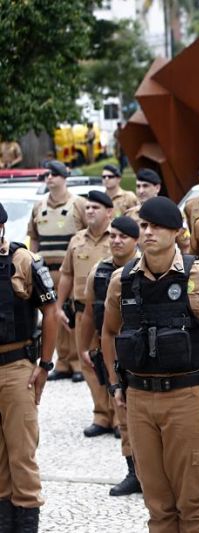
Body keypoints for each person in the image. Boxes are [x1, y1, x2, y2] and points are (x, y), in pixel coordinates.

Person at [100, 196, 199, 532]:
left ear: (176, 232)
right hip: (139, 400)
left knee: (193, 504)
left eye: (156, 226)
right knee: (157, 505)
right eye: (144, 225)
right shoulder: (121, 280)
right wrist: (115, 386)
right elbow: (108, 333)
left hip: (186, 398)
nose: (148, 232)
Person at [0, 202, 58, 533]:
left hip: (16, 367)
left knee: (21, 454)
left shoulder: (23, 261)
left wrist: (45, 365)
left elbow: (51, 312)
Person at [79, 216, 141, 496]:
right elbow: (90, 313)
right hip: (113, 351)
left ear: (135, 240)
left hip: (144, 354)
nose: (116, 241)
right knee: (124, 417)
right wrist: (82, 348)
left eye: (122, 236)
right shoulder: (100, 272)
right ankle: (133, 473)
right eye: (112, 236)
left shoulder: (145, 268)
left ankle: (154, 474)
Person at [57, 191, 115, 438]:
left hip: (111, 313)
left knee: (113, 362)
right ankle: (102, 415)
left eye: (96, 208)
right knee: (88, 363)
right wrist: (59, 305)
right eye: (88, 207)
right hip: (83, 313)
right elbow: (66, 274)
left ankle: (119, 418)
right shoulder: (76, 240)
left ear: (109, 212)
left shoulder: (118, 237)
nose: (90, 211)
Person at [28, 160, 88, 382]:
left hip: (70, 271)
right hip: (46, 270)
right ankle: (62, 362)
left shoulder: (78, 204)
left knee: (73, 315)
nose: (49, 177)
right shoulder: (38, 206)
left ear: (64, 177)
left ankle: (78, 363)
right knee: (53, 314)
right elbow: (34, 237)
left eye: (54, 174)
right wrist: (31, 263)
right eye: (47, 174)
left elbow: (86, 234)